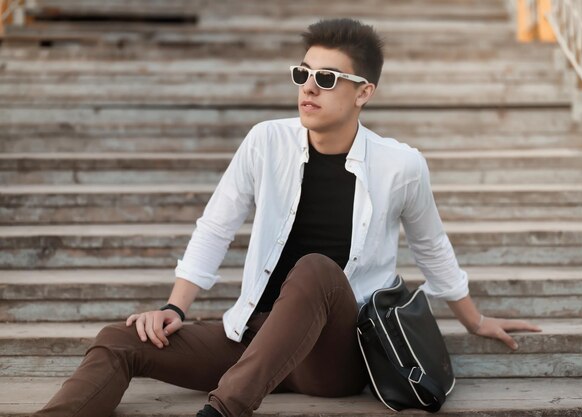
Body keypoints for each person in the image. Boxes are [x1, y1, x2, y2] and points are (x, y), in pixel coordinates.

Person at [34, 18, 541, 417]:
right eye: (303, 74)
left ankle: (223, 411)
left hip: (331, 359)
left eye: (327, 78)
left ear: (363, 92)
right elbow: (216, 223)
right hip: (253, 337)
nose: (309, 88)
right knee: (119, 340)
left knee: (317, 270)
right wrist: (177, 307)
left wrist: (473, 319)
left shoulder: (399, 165)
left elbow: (432, 247)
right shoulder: (266, 141)